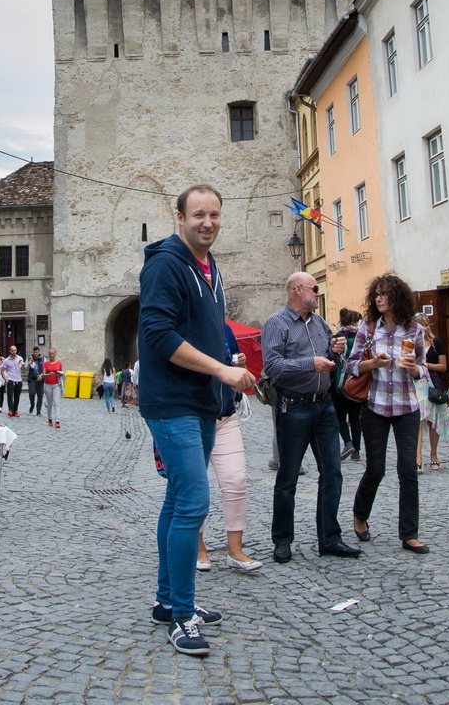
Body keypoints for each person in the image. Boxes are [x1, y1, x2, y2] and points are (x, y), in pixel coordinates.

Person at [138, 184, 254, 657]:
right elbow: (157, 333)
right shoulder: (167, 263)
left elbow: (204, 332)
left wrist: (226, 370)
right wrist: (221, 369)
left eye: (215, 215)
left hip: (203, 400)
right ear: (179, 216)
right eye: (198, 215)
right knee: (193, 502)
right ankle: (182, 614)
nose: (207, 223)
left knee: (178, 499)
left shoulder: (209, 266)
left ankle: (168, 601)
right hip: (172, 402)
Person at [262, 273, 358, 564]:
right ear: (295, 290)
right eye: (313, 289)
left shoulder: (318, 323)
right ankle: (282, 539)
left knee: (332, 473)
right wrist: (311, 363)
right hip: (294, 407)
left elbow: (329, 362)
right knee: (288, 476)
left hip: (325, 406)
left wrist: (334, 352)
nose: (317, 294)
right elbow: (273, 366)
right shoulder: (275, 323)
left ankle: (329, 538)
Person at [346, 273, 430, 554]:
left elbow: (423, 367)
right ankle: (360, 514)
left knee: (408, 470)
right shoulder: (368, 329)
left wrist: (415, 370)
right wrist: (373, 364)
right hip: (376, 407)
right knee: (375, 469)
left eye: (384, 294)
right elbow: (352, 365)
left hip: (407, 408)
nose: (379, 299)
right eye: (376, 295)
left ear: (398, 298)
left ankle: (409, 534)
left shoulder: (414, 330)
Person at [196, 322, 262, 573]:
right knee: (195, 486)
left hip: (225, 415)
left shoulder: (224, 330)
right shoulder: (185, 326)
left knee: (236, 481)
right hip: (193, 418)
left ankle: (235, 550)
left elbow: (238, 377)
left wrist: (240, 366)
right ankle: (198, 548)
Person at [413, 314, 449, 472]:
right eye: (420, 325)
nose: (424, 328)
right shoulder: (410, 344)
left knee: (433, 419)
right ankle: (418, 457)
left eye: (426, 324)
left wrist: (426, 364)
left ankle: (433, 454)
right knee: (418, 418)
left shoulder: (436, 343)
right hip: (417, 383)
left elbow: (443, 366)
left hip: (432, 384)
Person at [334, 308, 363, 461]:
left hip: (340, 382)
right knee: (355, 417)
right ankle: (357, 450)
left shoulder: (338, 337)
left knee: (339, 416)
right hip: (356, 382)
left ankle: (348, 442)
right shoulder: (360, 337)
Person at [43, 348, 65, 428]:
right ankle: (49, 419)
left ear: (55, 354)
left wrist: (60, 374)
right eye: (50, 354)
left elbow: (61, 372)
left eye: (53, 353)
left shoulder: (59, 363)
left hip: (56, 384)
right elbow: (43, 374)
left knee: (56, 402)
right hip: (48, 384)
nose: (51, 355)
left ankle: (57, 420)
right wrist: (48, 375)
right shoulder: (45, 364)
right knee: (49, 403)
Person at [1, 346, 24, 418]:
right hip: (10, 379)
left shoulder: (20, 358)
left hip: (18, 379)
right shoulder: (7, 360)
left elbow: (24, 369)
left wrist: (22, 364)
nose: (14, 352)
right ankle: (10, 409)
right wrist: (6, 379)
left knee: (17, 396)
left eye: (15, 350)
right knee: (10, 395)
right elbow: (2, 370)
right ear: (10, 351)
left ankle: (15, 410)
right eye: (12, 350)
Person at [27, 347, 45, 416]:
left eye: (36, 352)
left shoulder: (43, 359)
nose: (35, 354)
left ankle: (38, 411)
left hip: (40, 378)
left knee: (40, 396)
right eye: (34, 352)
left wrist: (41, 375)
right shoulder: (29, 358)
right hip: (32, 378)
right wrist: (28, 364)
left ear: (39, 352)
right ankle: (32, 404)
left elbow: (45, 368)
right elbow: (24, 368)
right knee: (32, 393)